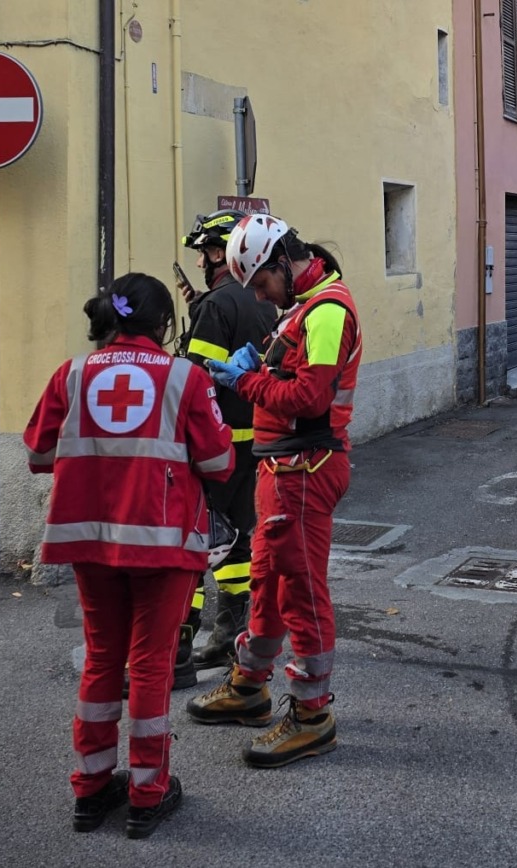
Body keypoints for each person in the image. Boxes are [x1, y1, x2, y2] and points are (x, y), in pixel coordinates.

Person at [24, 273, 234, 837]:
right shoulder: (184, 377)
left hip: (89, 539)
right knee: (149, 665)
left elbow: (38, 452)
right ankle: (147, 791)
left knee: (101, 659)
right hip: (163, 544)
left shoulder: (70, 374)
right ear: (163, 325)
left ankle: (91, 790)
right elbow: (218, 465)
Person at [186, 216, 361, 770]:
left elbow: (309, 397)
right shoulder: (305, 306)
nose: (258, 294)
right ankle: (250, 685)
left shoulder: (329, 311)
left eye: (261, 283)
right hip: (284, 469)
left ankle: (312, 716)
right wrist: (258, 364)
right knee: (266, 581)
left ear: (284, 262)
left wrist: (244, 381)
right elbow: (292, 371)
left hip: (306, 468)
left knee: (302, 593)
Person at [174, 209, 278, 682]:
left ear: (219, 252)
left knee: (192, 541)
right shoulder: (262, 300)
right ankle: (229, 633)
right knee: (236, 536)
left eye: (203, 253)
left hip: (213, 448)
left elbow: (197, 380)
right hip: (254, 442)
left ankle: (179, 634)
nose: (200, 263)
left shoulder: (214, 305)